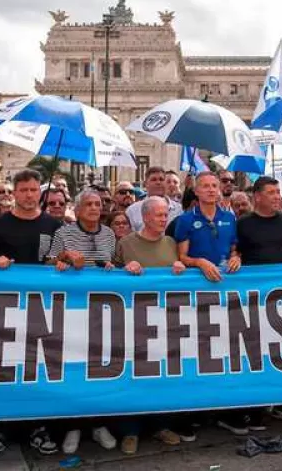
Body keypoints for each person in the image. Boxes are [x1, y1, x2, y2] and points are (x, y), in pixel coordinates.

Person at [0, 169, 63, 456]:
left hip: (43, 309)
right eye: (23, 190)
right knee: (3, 370)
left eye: (33, 190)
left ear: (40, 192)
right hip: (4, 309)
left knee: (37, 369)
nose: (29, 195)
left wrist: (63, 262)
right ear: (13, 193)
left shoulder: (55, 225)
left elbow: (59, 259)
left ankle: (37, 427)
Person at [224, 176, 282, 433]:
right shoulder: (242, 224)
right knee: (256, 352)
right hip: (254, 301)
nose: (277, 196)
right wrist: (236, 258)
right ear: (258, 197)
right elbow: (234, 251)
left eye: (278, 192)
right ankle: (253, 407)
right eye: (272, 192)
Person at [47, 189, 117, 455]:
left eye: (98, 204)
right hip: (71, 311)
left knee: (100, 369)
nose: (94, 208)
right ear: (76, 210)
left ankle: (98, 425)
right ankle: (73, 427)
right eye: (88, 204)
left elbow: (115, 263)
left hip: (101, 310)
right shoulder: (62, 233)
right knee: (74, 369)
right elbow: (47, 260)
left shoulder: (109, 234)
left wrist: (112, 267)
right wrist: (63, 259)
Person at [113, 197, 185, 454]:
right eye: (159, 215)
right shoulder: (126, 243)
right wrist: (124, 270)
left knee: (162, 376)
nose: (164, 220)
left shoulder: (171, 243)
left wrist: (180, 267)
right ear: (145, 217)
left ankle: (161, 426)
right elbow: (107, 275)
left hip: (165, 323)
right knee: (132, 376)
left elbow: (180, 275)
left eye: (166, 215)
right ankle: (129, 432)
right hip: (132, 323)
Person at [175, 172, 239, 282]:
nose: (211, 190)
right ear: (196, 191)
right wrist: (200, 262)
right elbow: (182, 257)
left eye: (214, 186)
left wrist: (236, 258)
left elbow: (234, 250)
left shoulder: (229, 218)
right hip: (197, 281)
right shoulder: (185, 219)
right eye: (205, 186)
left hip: (225, 279)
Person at [125, 167, 182, 231]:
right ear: (146, 184)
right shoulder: (132, 210)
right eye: (153, 179)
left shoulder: (179, 209)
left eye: (161, 179)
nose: (158, 182)